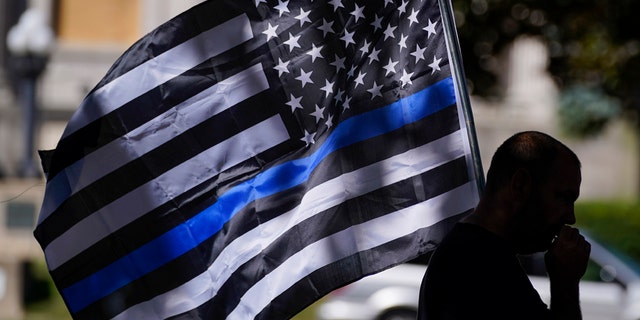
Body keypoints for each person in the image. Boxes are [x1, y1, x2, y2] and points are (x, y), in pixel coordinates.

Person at [417, 131, 591, 320]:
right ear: (520, 185)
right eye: (563, 198)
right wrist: (565, 286)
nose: (570, 217)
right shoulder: (481, 264)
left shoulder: (475, 252)